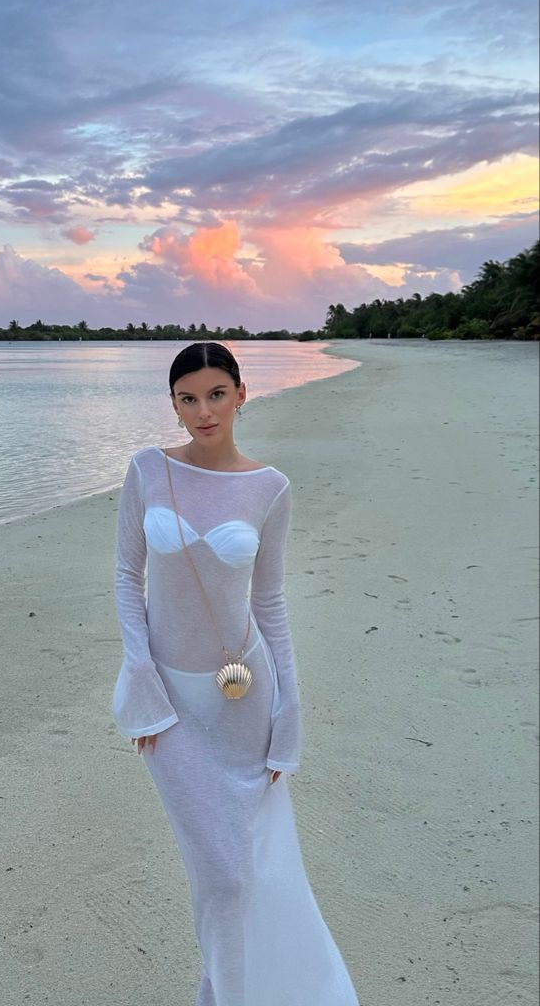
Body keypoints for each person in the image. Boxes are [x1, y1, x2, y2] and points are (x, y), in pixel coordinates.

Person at [112, 341, 360, 1005]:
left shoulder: (268, 487)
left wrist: (289, 717)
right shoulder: (146, 470)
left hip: (245, 700)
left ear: (241, 393)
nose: (202, 411)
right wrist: (140, 682)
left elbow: (269, 604)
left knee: (247, 870)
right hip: (169, 701)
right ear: (172, 403)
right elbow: (125, 576)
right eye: (187, 398)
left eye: (215, 394)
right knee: (218, 875)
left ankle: (227, 991)